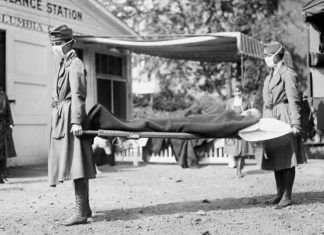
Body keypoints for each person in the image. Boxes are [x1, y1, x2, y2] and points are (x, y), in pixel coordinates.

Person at [48, 25, 96, 225]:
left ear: (69, 44)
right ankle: (84, 209)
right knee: (73, 164)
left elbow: (78, 94)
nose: (55, 47)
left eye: (58, 44)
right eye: (53, 44)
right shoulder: (64, 63)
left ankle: (81, 213)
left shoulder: (75, 64)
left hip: (70, 119)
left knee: (77, 165)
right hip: (62, 117)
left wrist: (76, 121)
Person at [259, 41, 306, 209]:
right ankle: (279, 193)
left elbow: (294, 100)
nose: (266, 58)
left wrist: (296, 124)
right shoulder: (268, 76)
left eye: (268, 55)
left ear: (278, 55)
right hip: (272, 118)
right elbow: (266, 103)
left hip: (285, 115)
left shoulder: (288, 74)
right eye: (265, 55)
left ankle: (287, 195)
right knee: (276, 157)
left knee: (287, 157)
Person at [224, 85, 254, 178]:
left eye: (239, 91)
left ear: (242, 92)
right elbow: (226, 114)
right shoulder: (229, 102)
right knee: (234, 150)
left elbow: (250, 114)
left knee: (242, 150)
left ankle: (239, 171)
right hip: (233, 127)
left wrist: (245, 115)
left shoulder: (246, 102)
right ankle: (237, 168)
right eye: (236, 92)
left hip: (243, 127)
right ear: (233, 93)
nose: (238, 93)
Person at [0, 87, 16, 183]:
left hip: (3, 127)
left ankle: (2, 176)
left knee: (3, 152)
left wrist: (10, 123)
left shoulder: (3, 95)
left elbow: (8, 112)